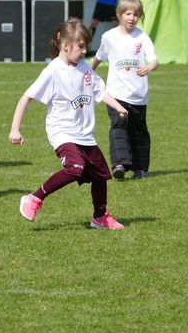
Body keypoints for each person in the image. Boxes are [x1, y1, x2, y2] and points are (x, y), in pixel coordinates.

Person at [8, 18, 128, 230]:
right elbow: (26, 98)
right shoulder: (53, 70)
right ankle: (34, 198)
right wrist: (15, 128)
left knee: (101, 174)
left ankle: (100, 217)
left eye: (86, 47)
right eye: (81, 47)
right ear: (64, 45)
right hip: (62, 132)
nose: (84, 52)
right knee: (75, 168)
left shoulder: (84, 69)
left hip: (85, 135)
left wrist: (118, 106)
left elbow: (101, 92)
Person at [91, 0, 158, 180]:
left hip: (138, 95)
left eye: (136, 14)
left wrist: (149, 67)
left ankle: (140, 168)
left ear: (140, 17)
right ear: (120, 14)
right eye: (128, 13)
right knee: (118, 127)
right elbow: (98, 58)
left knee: (139, 131)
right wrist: (85, 74)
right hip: (115, 94)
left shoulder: (142, 37)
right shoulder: (109, 37)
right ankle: (119, 164)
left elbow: (154, 60)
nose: (132, 17)